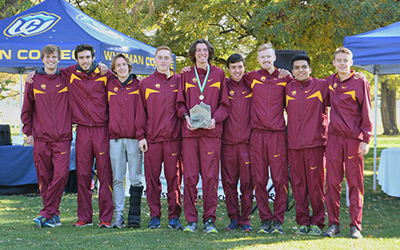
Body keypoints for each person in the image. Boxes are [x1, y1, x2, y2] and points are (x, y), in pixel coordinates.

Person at [176, 39, 230, 233]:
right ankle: (191, 220)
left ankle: (209, 220)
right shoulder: (186, 74)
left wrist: (215, 119)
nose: (201, 53)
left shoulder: (219, 74)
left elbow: (225, 104)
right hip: (190, 134)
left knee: (210, 178)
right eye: (198, 50)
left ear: (209, 52)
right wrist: (185, 117)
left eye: (204, 50)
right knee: (190, 178)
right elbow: (179, 103)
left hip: (211, 133)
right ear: (193, 53)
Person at [62, 44, 115, 228]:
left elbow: (121, 84)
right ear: (76, 59)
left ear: (93, 57)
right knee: (83, 175)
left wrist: (105, 65)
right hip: (82, 130)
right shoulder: (69, 73)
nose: (85, 61)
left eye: (88, 57)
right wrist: (34, 72)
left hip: (102, 129)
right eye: (81, 58)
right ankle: (84, 217)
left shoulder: (105, 73)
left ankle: (106, 217)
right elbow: (49, 72)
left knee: (104, 174)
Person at [243, 42, 293, 234]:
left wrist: (358, 75)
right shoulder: (252, 77)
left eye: (268, 57)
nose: (265, 60)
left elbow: (307, 84)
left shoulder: (285, 77)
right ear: (258, 59)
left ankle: (278, 221)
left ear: (274, 58)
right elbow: (231, 77)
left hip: (278, 135)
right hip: (257, 135)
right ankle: (265, 220)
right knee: (260, 179)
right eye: (262, 57)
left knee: (280, 180)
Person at [21, 44, 72, 228]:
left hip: (63, 138)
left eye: (54, 57)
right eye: (48, 57)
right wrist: (28, 132)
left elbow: (87, 69)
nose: (51, 60)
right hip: (41, 138)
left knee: (60, 175)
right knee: (44, 178)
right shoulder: (33, 81)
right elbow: (27, 109)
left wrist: (102, 65)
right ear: (42, 59)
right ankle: (53, 216)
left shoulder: (67, 78)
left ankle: (46, 213)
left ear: (59, 59)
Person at [324, 47, 372, 239]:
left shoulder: (360, 82)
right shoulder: (329, 82)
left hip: (353, 140)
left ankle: (355, 225)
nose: (342, 63)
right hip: (333, 140)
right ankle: (333, 224)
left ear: (351, 62)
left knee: (355, 184)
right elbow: (307, 83)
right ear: (334, 63)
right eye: (339, 60)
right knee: (332, 183)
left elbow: (367, 112)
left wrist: (365, 139)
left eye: (346, 60)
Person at [136, 46, 183, 230]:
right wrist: (141, 136)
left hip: (174, 140)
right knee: (152, 180)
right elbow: (140, 112)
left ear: (171, 60)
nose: (163, 61)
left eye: (166, 58)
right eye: (160, 58)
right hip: (153, 140)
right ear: (155, 60)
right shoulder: (146, 83)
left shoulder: (180, 80)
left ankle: (174, 217)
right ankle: (155, 216)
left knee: (174, 179)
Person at [285, 54, 328, 235]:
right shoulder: (287, 88)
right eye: (297, 68)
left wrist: (357, 75)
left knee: (315, 186)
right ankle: (303, 222)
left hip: (315, 145)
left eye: (304, 67)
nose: (300, 70)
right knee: (298, 186)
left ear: (310, 69)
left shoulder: (322, 85)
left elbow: (341, 84)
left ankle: (318, 223)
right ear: (292, 71)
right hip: (294, 146)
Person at [107, 54, 143, 228]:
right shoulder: (109, 85)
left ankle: (134, 216)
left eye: (124, 65)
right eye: (118, 65)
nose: (121, 68)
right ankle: (118, 216)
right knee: (117, 178)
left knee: (135, 177)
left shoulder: (139, 85)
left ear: (129, 66)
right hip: (115, 139)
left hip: (134, 138)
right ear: (114, 69)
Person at [221, 53, 253, 232]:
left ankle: (245, 219)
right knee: (229, 183)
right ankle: (233, 218)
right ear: (228, 69)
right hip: (228, 144)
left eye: (240, 67)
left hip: (247, 144)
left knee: (247, 183)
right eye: (233, 67)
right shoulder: (222, 86)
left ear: (244, 67)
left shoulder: (251, 85)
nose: (237, 70)